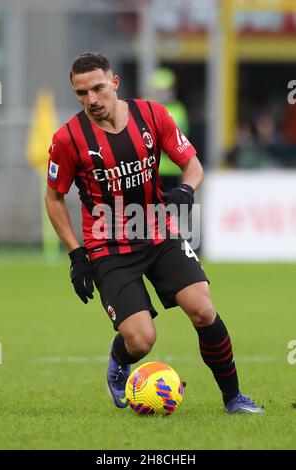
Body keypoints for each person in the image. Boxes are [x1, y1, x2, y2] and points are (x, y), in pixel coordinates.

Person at [45, 52, 264, 414]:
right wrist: (76, 253)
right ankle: (120, 363)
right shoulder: (68, 139)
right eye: (81, 94)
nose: (92, 100)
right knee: (142, 340)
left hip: (159, 231)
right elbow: (54, 198)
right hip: (108, 246)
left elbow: (192, 165)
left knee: (203, 309)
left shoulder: (152, 115)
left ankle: (234, 398)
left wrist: (187, 191)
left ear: (115, 83)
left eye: (98, 88)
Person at [149, 67, 189, 191]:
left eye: (167, 90)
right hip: (149, 170)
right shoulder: (146, 107)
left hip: (172, 170)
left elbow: (181, 138)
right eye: (160, 90)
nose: (164, 94)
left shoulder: (179, 109)